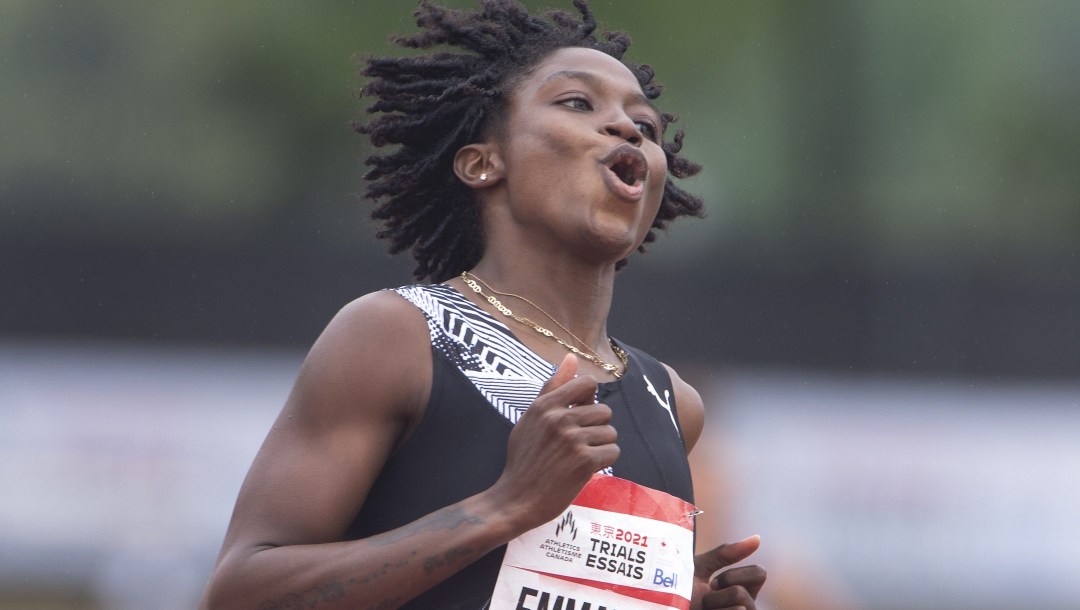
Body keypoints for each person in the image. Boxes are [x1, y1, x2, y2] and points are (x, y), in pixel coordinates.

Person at [200, 1, 766, 608]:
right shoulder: (397, 337)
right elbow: (242, 593)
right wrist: (505, 506)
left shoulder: (673, 404)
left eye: (646, 127)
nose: (627, 128)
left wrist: (676, 598)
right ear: (482, 162)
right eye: (578, 102)